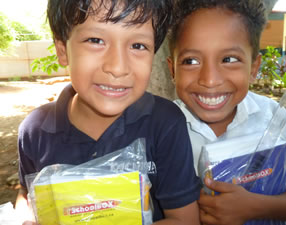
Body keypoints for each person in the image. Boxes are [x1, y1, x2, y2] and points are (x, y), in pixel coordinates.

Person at [15, 0, 201, 224]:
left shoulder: (165, 123)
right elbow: (26, 193)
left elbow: (185, 219)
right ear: (63, 51)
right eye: (95, 40)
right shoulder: (35, 130)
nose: (118, 67)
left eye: (138, 46)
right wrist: (24, 217)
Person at [167, 0, 286, 224]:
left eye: (229, 59)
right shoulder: (162, 127)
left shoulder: (275, 119)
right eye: (191, 61)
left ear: (254, 68)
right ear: (172, 70)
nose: (209, 80)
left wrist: (257, 207)